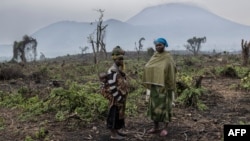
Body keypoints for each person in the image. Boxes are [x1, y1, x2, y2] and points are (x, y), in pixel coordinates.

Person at [142, 38, 176, 137]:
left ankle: (165, 127)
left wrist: (168, 82)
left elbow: (172, 70)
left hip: (165, 87)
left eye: (160, 45)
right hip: (155, 87)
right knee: (154, 107)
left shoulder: (167, 57)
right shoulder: (154, 56)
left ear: (165, 45)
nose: (158, 47)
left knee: (165, 107)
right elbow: (147, 67)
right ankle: (155, 126)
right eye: (156, 45)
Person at [99, 46, 128, 140]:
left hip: (119, 97)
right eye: (120, 59)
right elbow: (112, 87)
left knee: (119, 115)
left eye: (122, 59)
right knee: (113, 115)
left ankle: (117, 131)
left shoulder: (117, 70)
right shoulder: (112, 71)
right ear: (115, 59)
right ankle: (113, 134)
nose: (121, 61)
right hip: (115, 99)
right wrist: (119, 98)